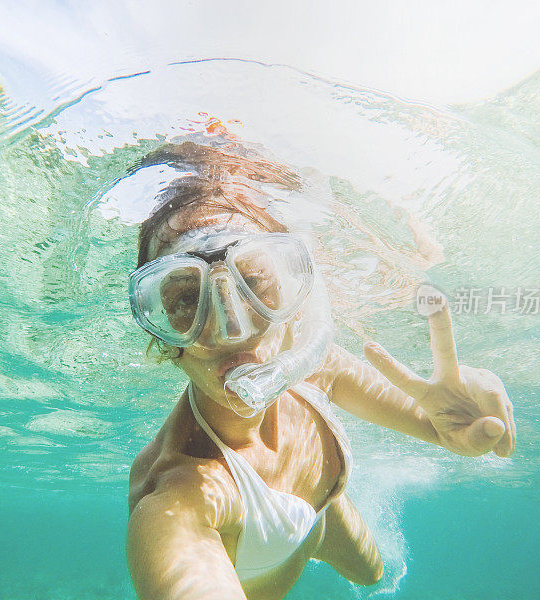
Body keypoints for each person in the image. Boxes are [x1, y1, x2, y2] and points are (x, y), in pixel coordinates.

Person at [125, 139, 516, 600]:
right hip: (268, 538)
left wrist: (463, 411)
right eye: (187, 300)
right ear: (162, 333)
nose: (232, 328)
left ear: (296, 293)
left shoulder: (318, 368)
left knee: (373, 574)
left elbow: (440, 423)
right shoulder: (179, 495)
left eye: (253, 284)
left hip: (322, 510)